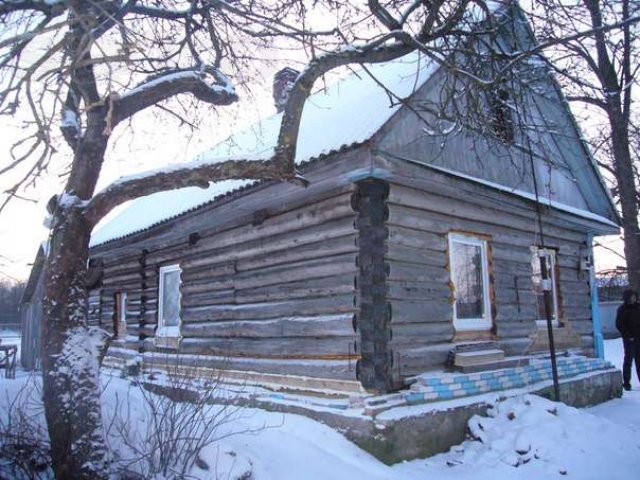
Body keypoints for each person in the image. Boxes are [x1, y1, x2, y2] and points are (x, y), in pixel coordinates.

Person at [615, 289, 640, 391]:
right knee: (628, 361)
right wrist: (628, 336)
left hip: (639, 338)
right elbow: (619, 325)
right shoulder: (623, 309)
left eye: (635, 296)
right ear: (627, 297)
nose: (633, 298)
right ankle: (626, 383)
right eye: (632, 297)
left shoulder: (638, 307)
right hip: (629, 339)